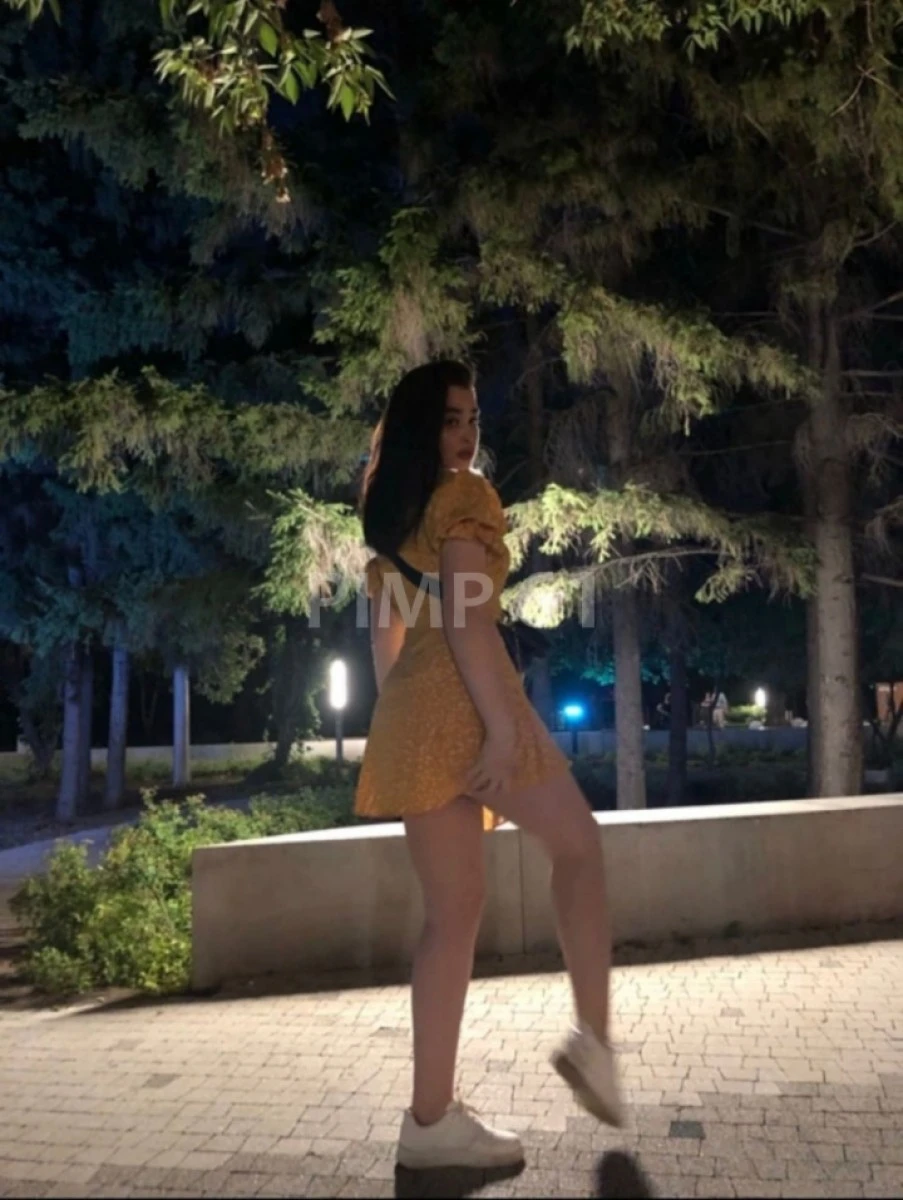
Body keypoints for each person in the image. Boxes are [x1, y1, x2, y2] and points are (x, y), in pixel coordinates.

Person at [356, 360, 623, 1170]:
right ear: (419, 428)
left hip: (409, 714)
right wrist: (500, 734)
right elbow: (469, 626)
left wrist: (410, 737)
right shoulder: (464, 500)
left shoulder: (390, 524)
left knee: (451, 915)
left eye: (472, 418)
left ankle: (428, 1122)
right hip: (471, 701)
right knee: (578, 847)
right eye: (450, 420)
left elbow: (386, 647)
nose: (467, 435)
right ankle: (593, 1042)